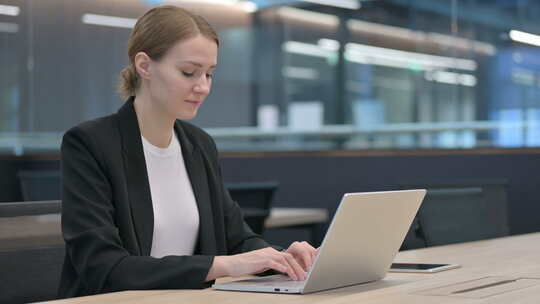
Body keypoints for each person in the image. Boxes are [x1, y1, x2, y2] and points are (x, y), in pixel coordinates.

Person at [58, 5, 317, 298]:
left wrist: (282, 258)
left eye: (209, 74)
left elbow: (237, 239)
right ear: (144, 65)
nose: (203, 86)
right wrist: (222, 265)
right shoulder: (91, 143)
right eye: (189, 72)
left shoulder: (199, 145)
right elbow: (103, 266)